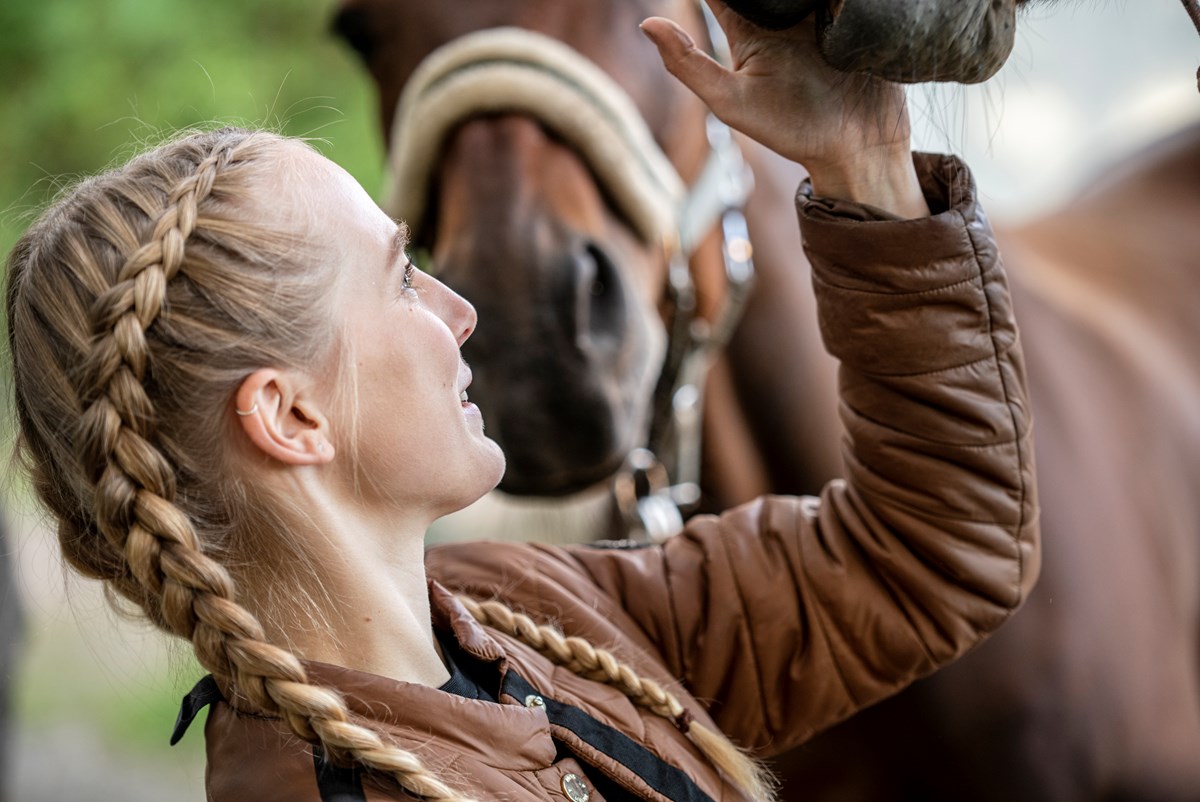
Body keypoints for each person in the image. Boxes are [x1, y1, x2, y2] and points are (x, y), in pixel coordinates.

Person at [5, 4, 1038, 802]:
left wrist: (865, 165)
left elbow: (928, 556)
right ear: (291, 418)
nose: (462, 311)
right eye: (403, 276)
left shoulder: (527, 611)